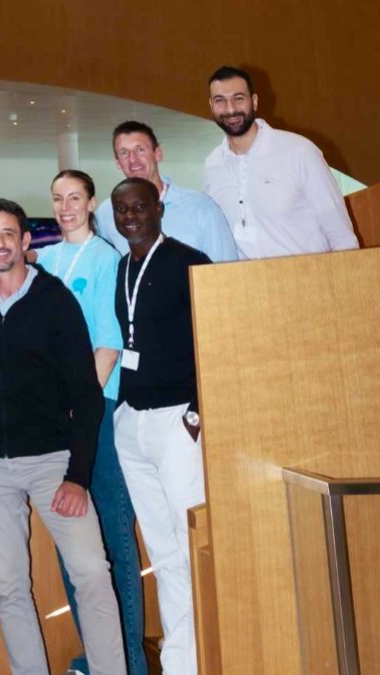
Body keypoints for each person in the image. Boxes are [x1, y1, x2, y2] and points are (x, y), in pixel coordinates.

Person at [0, 199, 125, 675]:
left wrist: (77, 476)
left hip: (55, 462)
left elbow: (87, 395)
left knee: (92, 573)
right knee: (9, 587)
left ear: (24, 240)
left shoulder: (55, 300)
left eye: (8, 234)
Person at [40, 171, 146, 675]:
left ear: (91, 202)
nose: (65, 207)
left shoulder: (107, 259)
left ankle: (129, 664)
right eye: (57, 199)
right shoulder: (45, 262)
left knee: (114, 542)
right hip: (54, 420)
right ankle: (97, 658)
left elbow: (108, 345)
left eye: (74, 198)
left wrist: (81, 412)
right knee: (73, 545)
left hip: (96, 415)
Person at [110, 177, 211, 674]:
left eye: (139, 207)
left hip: (177, 421)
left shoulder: (189, 262)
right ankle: (178, 663)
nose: (130, 216)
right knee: (163, 551)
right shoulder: (122, 267)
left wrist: (196, 414)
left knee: (190, 545)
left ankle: (203, 658)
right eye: (121, 209)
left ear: (158, 209)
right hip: (132, 422)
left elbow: (215, 337)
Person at [203, 65, 359, 258]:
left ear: (254, 101)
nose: (230, 109)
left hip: (308, 275)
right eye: (220, 100)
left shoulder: (299, 151)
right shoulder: (212, 165)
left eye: (238, 98)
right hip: (243, 277)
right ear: (211, 106)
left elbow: (341, 236)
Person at [93, 121, 237, 263]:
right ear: (118, 162)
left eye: (140, 150)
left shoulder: (201, 208)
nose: (133, 160)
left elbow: (227, 270)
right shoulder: (107, 213)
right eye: (124, 153)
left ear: (158, 153)